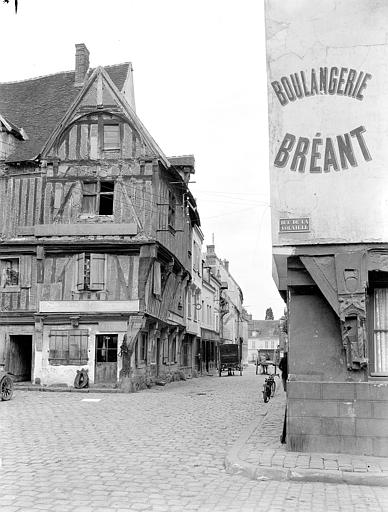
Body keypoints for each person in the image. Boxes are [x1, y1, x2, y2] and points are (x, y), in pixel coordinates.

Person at [278, 351, 288, 444]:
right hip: (287, 374)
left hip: (284, 375)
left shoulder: (283, 359)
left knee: (285, 386)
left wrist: (283, 370)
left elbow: (279, 366)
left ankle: (286, 390)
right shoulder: (288, 360)